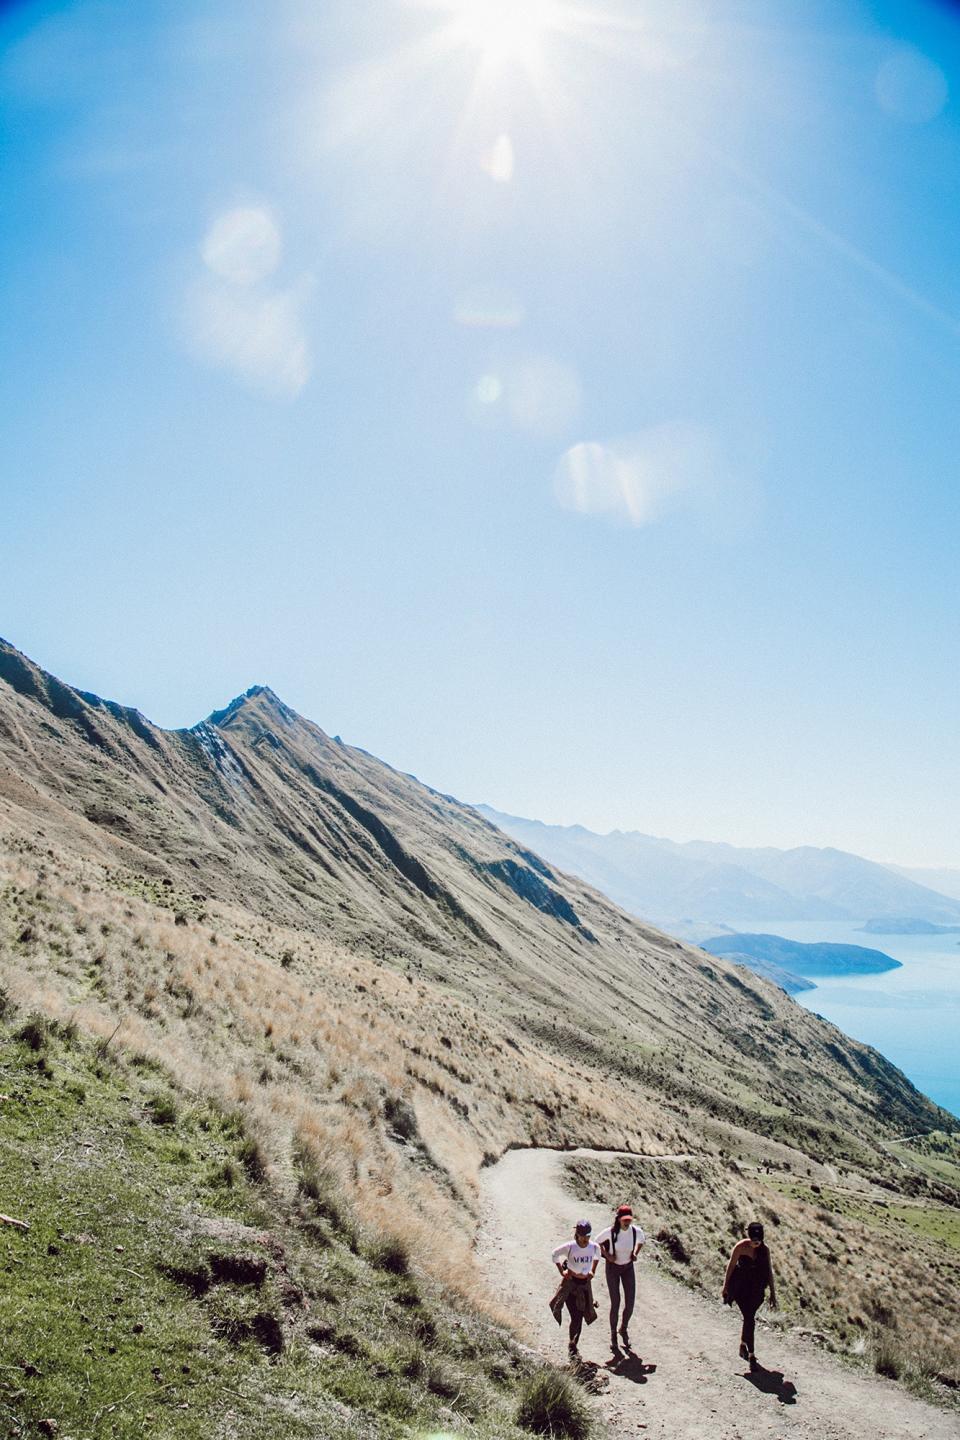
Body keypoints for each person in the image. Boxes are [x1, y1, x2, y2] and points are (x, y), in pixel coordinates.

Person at [722, 1221, 777, 1370]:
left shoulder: (765, 1251)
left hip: (756, 1288)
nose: (755, 1245)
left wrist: (773, 1293)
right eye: (753, 1242)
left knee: (749, 1317)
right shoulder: (740, 1247)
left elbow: (769, 1271)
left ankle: (743, 1344)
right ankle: (751, 1354)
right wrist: (725, 1286)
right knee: (749, 1318)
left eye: (758, 1242)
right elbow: (731, 1265)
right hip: (740, 1287)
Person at [596, 1203, 645, 1354]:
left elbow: (641, 1241)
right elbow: (596, 1243)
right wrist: (608, 1255)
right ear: (618, 1219)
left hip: (628, 1267)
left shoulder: (636, 1232)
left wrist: (635, 1253)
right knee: (615, 1302)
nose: (627, 1222)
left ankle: (623, 1329)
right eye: (624, 1220)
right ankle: (613, 1336)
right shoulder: (609, 1232)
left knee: (630, 1303)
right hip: (613, 1269)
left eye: (629, 1219)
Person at [550, 1219, 601, 1357]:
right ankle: (572, 1346)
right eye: (582, 1236)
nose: (585, 1239)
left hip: (584, 1285)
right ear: (577, 1235)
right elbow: (555, 1254)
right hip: (571, 1285)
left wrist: (593, 1271)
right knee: (576, 1316)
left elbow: (598, 1255)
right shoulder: (570, 1247)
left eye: (588, 1236)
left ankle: (573, 1344)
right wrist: (562, 1271)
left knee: (580, 1316)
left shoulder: (594, 1247)